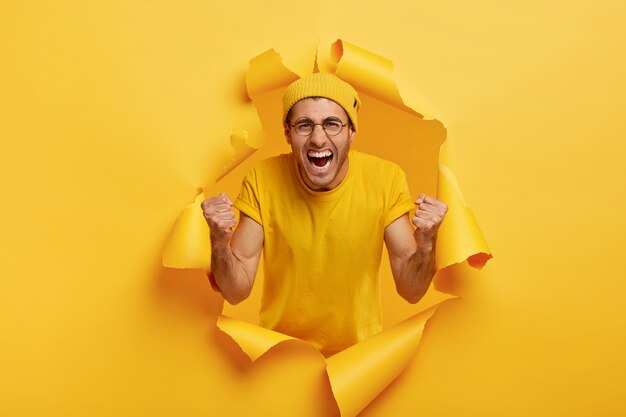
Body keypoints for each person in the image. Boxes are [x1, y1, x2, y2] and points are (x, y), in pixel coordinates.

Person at [202, 73, 447, 356]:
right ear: (287, 133)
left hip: (358, 361)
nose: (318, 139)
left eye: (332, 124)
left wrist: (427, 241)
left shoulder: (386, 179)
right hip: (281, 356)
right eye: (304, 125)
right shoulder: (262, 179)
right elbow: (236, 291)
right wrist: (219, 241)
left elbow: (411, 290)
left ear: (351, 132)